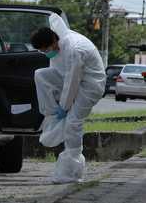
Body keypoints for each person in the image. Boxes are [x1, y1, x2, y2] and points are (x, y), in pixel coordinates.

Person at [30, 13, 105, 184]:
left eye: (45, 50)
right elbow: (60, 75)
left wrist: (64, 106)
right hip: (73, 79)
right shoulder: (58, 45)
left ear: (53, 42)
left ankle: (72, 172)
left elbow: (72, 82)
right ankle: (50, 115)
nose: (45, 53)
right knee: (40, 75)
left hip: (91, 85)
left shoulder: (74, 49)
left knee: (73, 122)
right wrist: (57, 109)